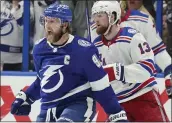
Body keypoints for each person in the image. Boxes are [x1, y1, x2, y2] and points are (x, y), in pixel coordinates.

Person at [10, 3, 128, 122]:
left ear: (65, 24)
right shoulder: (39, 48)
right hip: (48, 108)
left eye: (53, 21)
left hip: (77, 105)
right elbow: (43, 80)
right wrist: (26, 97)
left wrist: (115, 112)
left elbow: (101, 86)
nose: (47, 26)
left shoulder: (84, 50)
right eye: (46, 21)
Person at [91, 1, 169, 122]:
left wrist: (117, 71)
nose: (96, 20)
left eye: (100, 15)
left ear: (112, 16)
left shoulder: (133, 37)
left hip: (142, 96)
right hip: (117, 104)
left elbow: (147, 67)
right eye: (94, 15)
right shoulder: (95, 45)